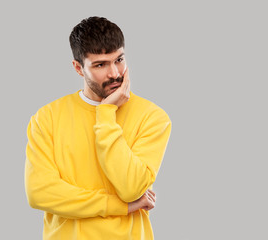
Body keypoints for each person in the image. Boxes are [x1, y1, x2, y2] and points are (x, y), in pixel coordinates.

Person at [25, 16, 171, 239]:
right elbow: (40, 193)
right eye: (100, 65)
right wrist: (120, 206)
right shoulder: (47, 118)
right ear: (78, 68)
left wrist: (105, 113)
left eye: (119, 59)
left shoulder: (152, 117)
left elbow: (131, 188)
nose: (115, 73)